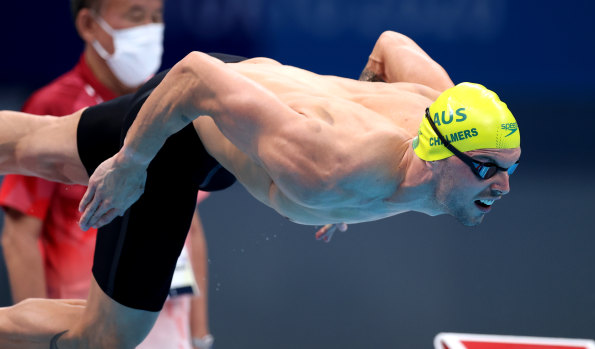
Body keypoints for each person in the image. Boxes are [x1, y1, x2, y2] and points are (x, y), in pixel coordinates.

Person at [0, 30, 520, 348]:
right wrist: (133, 162)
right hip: (185, 122)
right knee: (108, 337)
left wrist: (350, 189)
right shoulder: (330, 161)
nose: (502, 186)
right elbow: (194, 74)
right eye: (487, 169)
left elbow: (391, 44)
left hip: (237, 114)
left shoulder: (445, 104)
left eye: (510, 170)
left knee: (36, 144)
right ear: (438, 153)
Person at [0, 0, 214, 347]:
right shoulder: (51, 108)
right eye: (135, 15)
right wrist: (34, 343)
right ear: (88, 24)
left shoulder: (171, 103)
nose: (149, 27)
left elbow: (190, 227)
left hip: (169, 323)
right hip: (89, 324)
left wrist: (199, 336)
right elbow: (19, 237)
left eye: (156, 17)